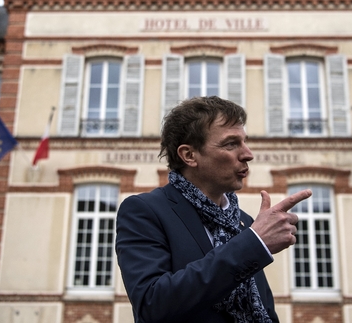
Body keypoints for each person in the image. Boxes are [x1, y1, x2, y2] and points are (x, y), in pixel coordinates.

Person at [116, 96, 312, 323]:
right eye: (231, 144)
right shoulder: (145, 211)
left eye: (245, 142)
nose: (248, 154)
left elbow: (264, 309)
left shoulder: (244, 222)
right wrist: (253, 244)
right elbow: (152, 304)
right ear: (189, 155)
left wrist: (253, 239)